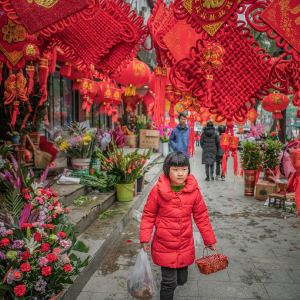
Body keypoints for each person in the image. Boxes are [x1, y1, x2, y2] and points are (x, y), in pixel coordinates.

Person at [140, 151, 217, 300]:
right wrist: (145, 238)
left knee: (182, 279)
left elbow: (202, 217)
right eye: (175, 169)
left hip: (185, 242)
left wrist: (210, 240)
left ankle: (181, 274)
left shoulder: (194, 192)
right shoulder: (157, 191)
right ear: (167, 170)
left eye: (184, 169)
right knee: (170, 282)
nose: (180, 174)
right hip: (164, 244)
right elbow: (148, 215)